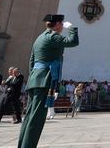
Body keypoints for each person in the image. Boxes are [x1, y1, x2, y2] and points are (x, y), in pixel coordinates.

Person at [18, 14, 78, 148]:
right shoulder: (53, 35)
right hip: (45, 79)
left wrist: (34, 76)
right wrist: (72, 28)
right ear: (56, 24)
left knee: (29, 116)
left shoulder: (39, 38)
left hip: (36, 79)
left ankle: (23, 145)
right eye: (61, 24)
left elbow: (32, 61)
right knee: (37, 118)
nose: (62, 26)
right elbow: (72, 42)